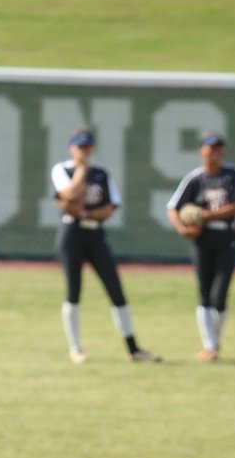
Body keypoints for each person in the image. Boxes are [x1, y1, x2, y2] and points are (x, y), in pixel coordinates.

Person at [51, 129, 160, 365]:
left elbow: (110, 207)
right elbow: (68, 195)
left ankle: (133, 348)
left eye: (87, 146)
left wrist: (86, 211)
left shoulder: (101, 174)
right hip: (71, 234)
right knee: (74, 291)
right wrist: (81, 171)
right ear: (72, 149)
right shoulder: (63, 170)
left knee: (116, 290)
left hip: (95, 234)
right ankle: (75, 348)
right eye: (80, 147)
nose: (84, 151)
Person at [166, 133, 235, 362]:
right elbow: (173, 207)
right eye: (209, 147)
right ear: (201, 151)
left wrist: (206, 214)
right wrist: (182, 229)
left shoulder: (232, 174)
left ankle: (213, 341)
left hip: (227, 237)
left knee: (220, 294)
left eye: (218, 147)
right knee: (204, 292)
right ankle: (210, 345)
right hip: (202, 240)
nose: (214, 152)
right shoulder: (195, 178)